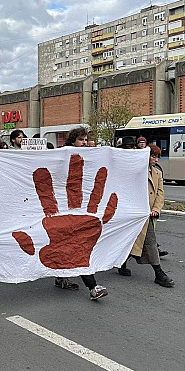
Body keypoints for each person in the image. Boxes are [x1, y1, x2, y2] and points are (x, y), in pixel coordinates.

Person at [53, 127, 108, 300]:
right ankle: (92, 286)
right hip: (64, 207)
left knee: (74, 244)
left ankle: (62, 276)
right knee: (74, 244)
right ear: (72, 141)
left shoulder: (90, 155)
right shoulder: (62, 154)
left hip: (82, 208)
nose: (85, 143)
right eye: (81, 140)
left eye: (86, 140)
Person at [119, 145, 174, 287]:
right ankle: (159, 273)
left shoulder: (157, 173)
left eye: (157, 157)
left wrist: (156, 208)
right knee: (150, 241)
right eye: (153, 156)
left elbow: (160, 193)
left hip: (150, 213)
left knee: (137, 241)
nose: (155, 159)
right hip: (139, 214)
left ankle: (122, 261)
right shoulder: (136, 172)